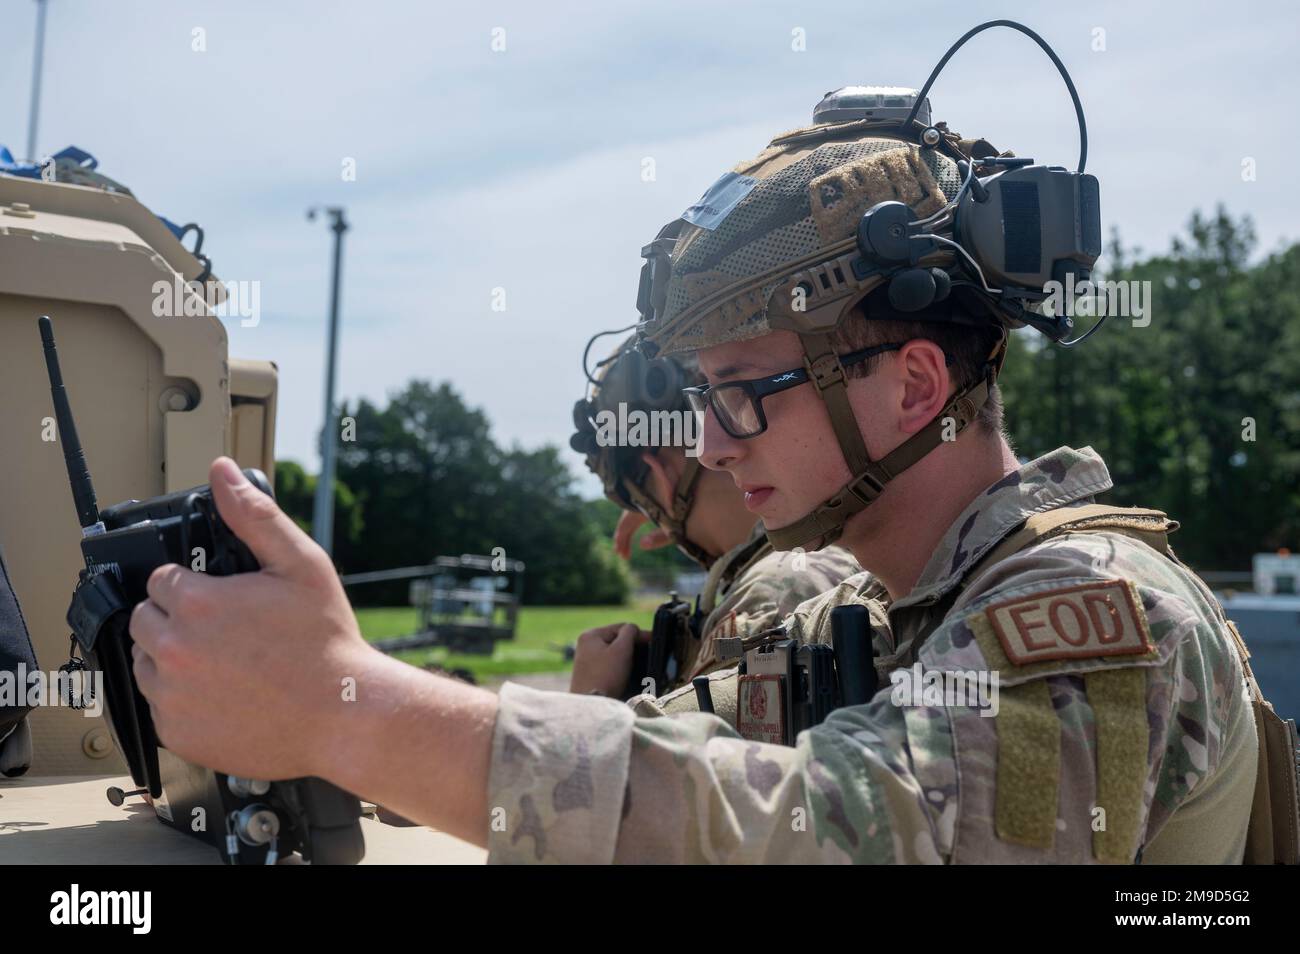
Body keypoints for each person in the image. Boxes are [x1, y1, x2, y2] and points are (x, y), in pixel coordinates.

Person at [128, 110, 1282, 865]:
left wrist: (350, 705)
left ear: (913, 384)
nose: (715, 444)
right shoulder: (881, 615)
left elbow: (832, 830)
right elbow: (692, 744)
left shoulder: (1097, 613)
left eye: (743, 391)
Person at [566, 336, 859, 707]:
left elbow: (691, 762)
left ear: (660, 473)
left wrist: (590, 703)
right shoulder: (823, 550)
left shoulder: (772, 589)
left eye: (639, 498)